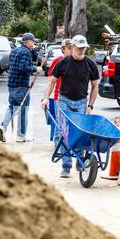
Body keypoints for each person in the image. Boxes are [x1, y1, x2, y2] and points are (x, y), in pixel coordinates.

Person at [43, 35, 100, 178]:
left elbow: (94, 86)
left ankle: (80, 162)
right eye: (79, 48)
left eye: (84, 48)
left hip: (81, 101)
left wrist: (90, 106)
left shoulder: (90, 64)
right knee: (64, 133)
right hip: (64, 100)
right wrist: (45, 98)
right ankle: (66, 166)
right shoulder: (63, 63)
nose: (81, 51)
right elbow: (52, 81)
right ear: (73, 47)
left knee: (80, 132)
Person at [0, 32, 43, 143]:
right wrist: (35, 69)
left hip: (11, 85)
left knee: (12, 107)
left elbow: (14, 66)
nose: (34, 43)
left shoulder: (14, 51)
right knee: (23, 110)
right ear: (28, 42)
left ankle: (3, 126)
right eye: (33, 41)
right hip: (21, 86)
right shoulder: (26, 52)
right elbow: (23, 67)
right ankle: (21, 136)